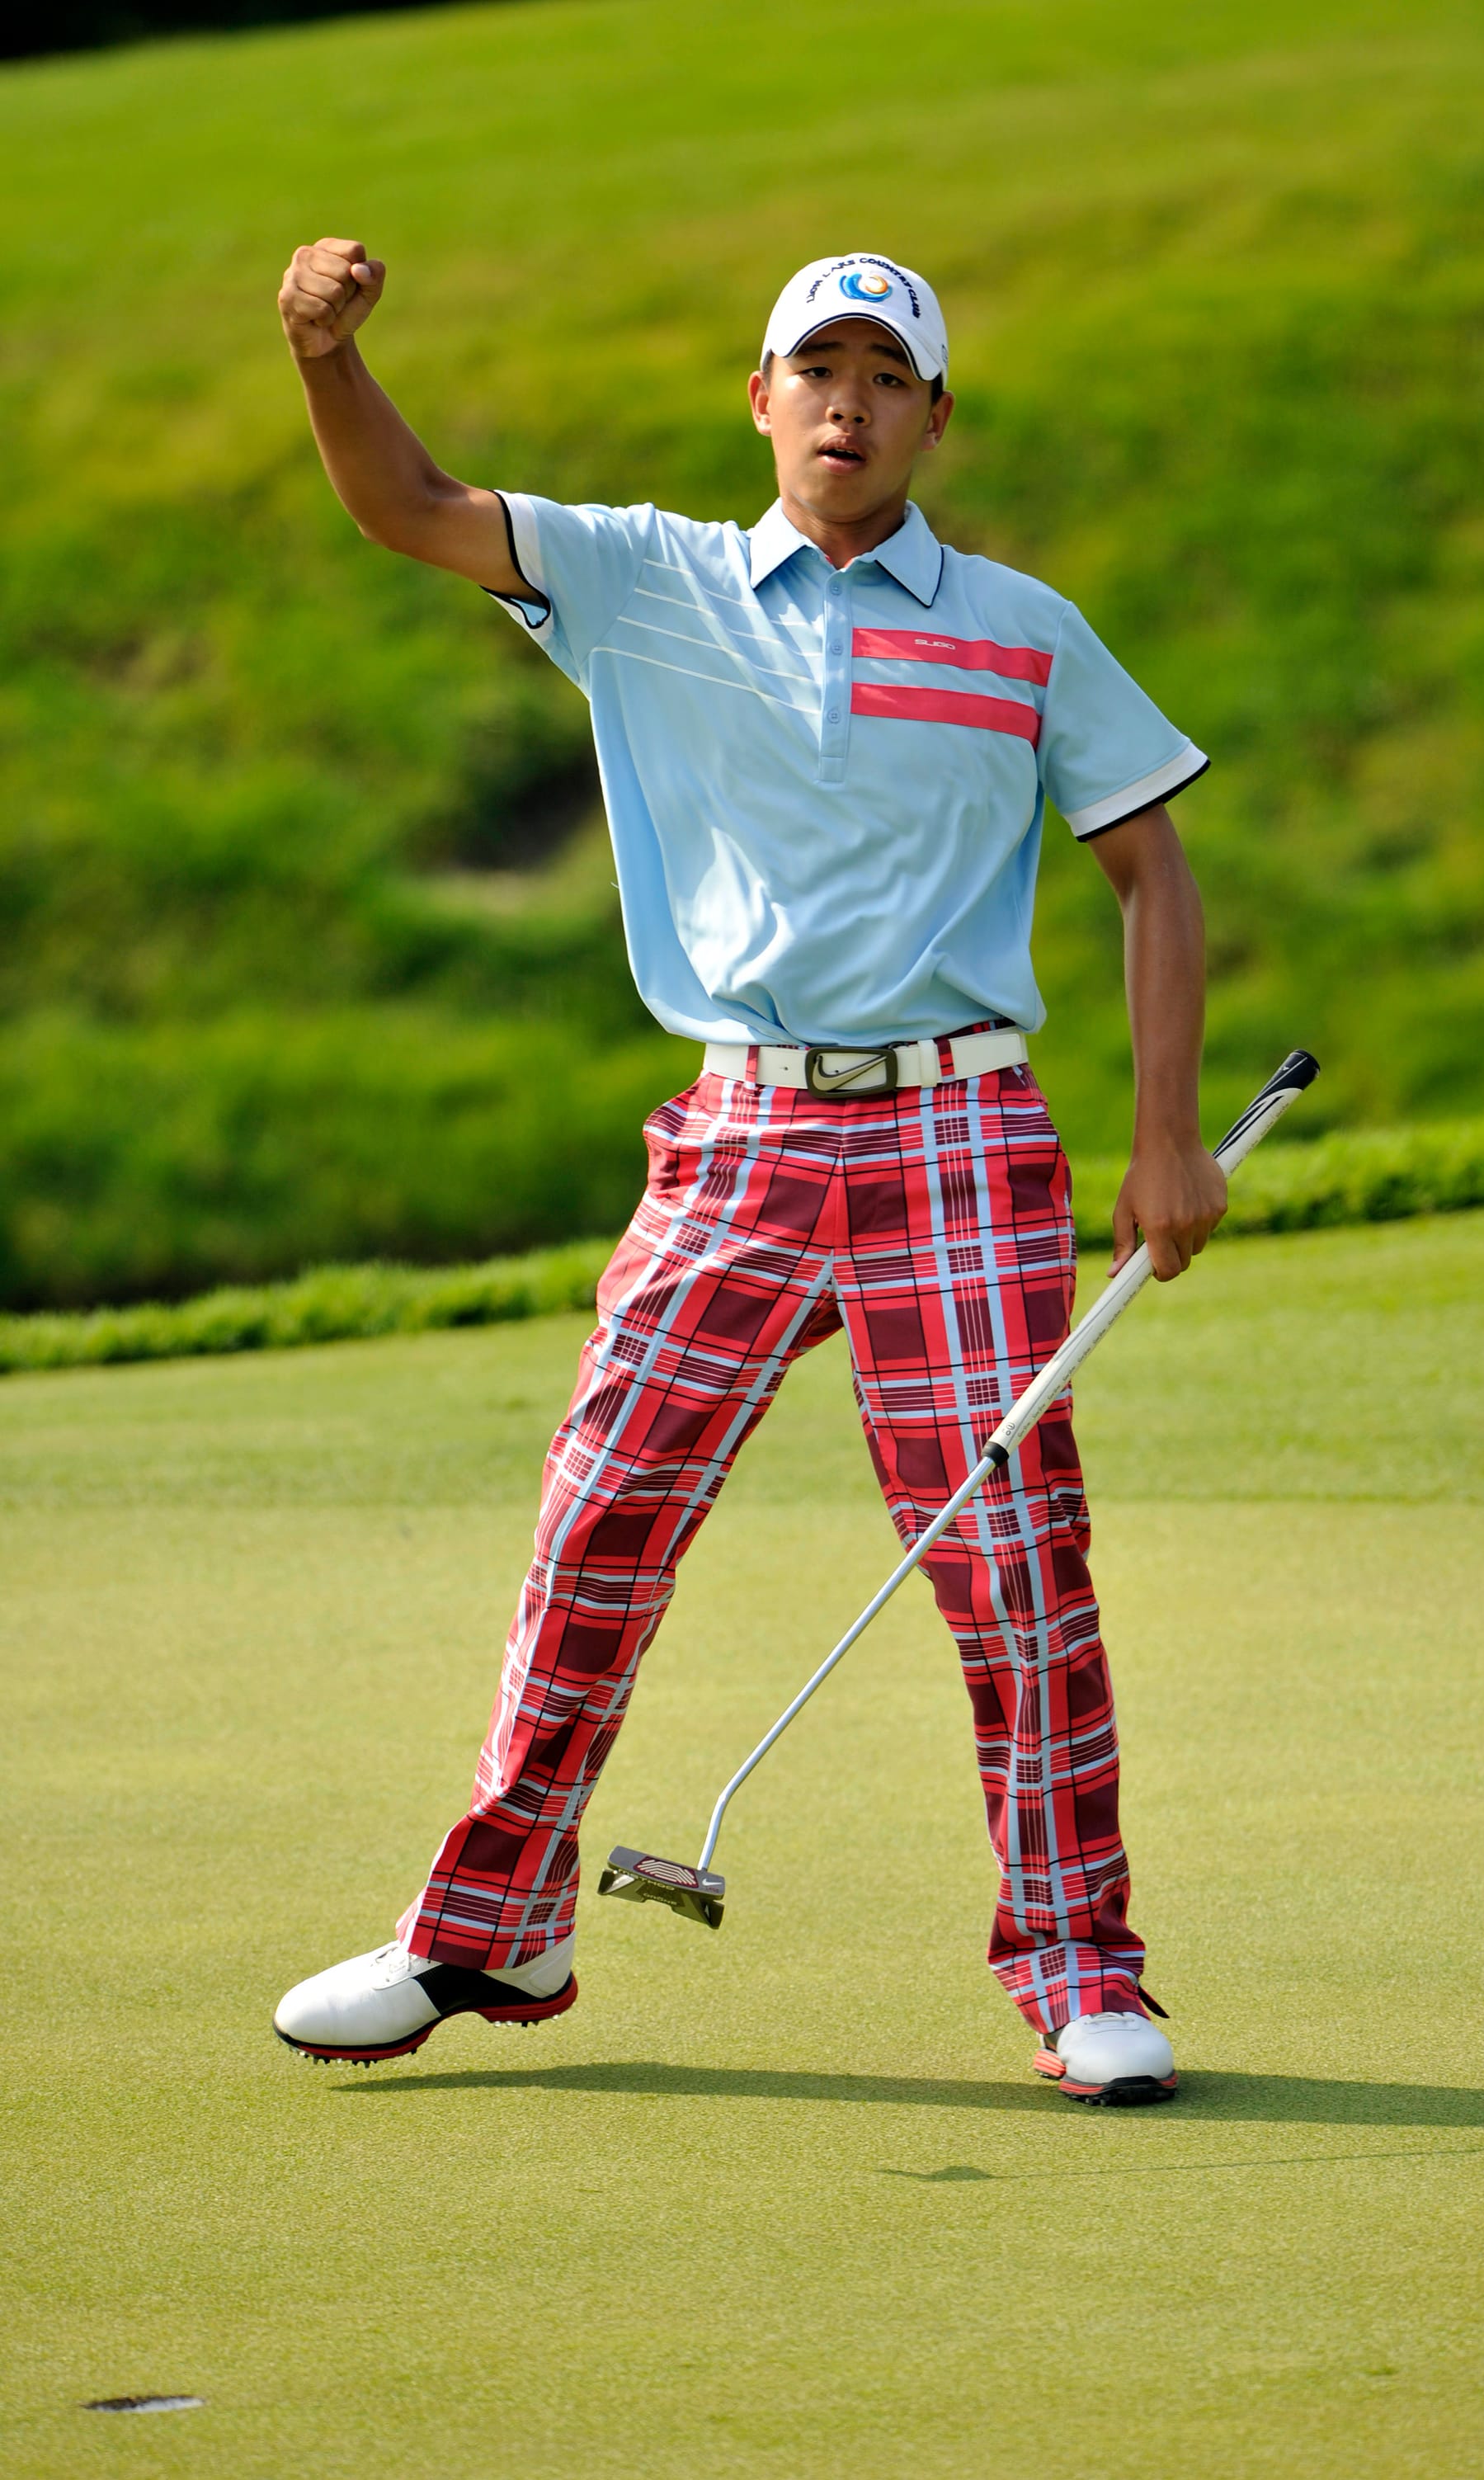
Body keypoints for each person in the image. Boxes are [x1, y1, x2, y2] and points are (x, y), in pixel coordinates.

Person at [270, 242, 1224, 2103]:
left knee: (1015, 1561)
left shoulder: (1026, 629)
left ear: (933, 417)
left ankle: (1078, 1965)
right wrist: (324, 358)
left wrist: (1169, 1132)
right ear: (762, 398)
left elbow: (1151, 870)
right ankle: (495, 1924)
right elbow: (409, 506)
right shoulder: (645, 579)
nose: (848, 404)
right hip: (741, 1128)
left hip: (960, 1128)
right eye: (818, 371)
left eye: (886, 377)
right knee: (599, 1519)